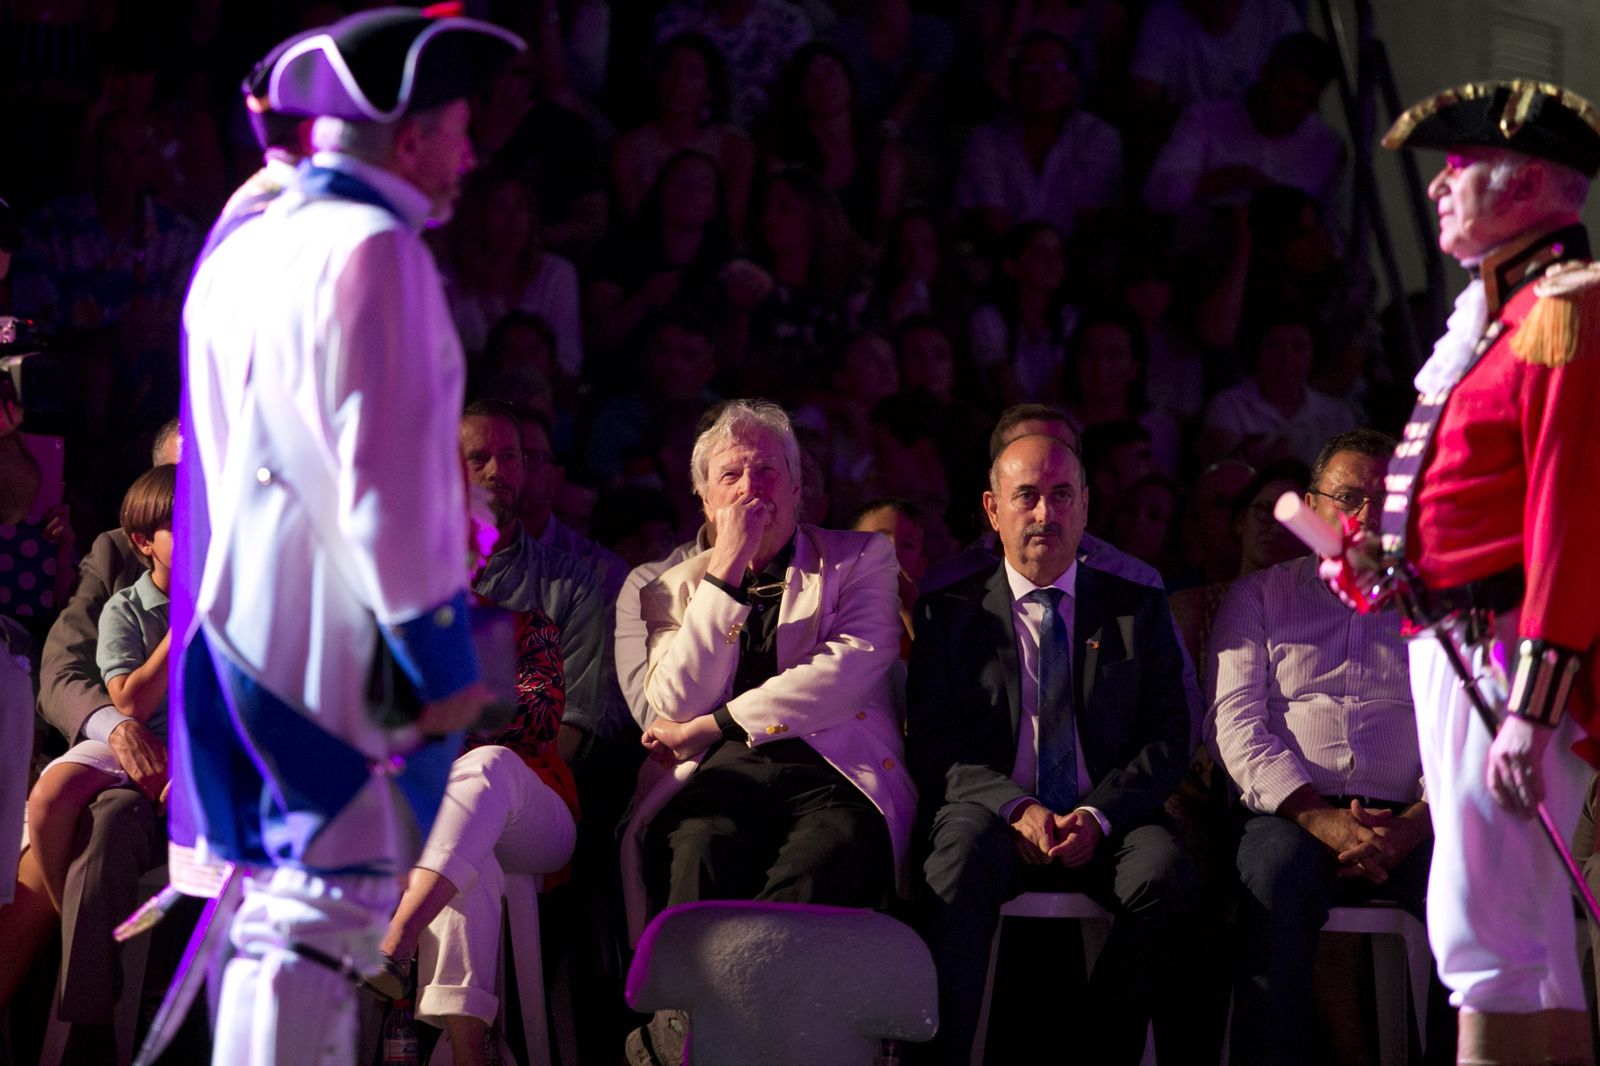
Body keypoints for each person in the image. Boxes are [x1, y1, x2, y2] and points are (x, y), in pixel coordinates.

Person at [171, 12, 522, 1064]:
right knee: (319, 926)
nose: (469, 150)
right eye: (458, 124)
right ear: (406, 135)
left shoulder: (247, 232)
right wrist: (442, 659)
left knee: (278, 918)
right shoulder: (377, 250)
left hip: (237, 625)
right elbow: (388, 484)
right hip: (337, 645)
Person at [1327, 80, 1600, 1063]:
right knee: (1510, 935)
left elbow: (1570, 518)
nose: (1438, 187)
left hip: (1509, 660)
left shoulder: (1566, 310)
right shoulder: (1491, 319)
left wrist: (1533, 702)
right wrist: (1376, 565)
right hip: (1457, 643)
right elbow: (1470, 513)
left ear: (1525, 184)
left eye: (1457, 167)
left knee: (1487, 932)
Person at [624, 399, 915, 1063]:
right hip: (719, 775)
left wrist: (717, 723)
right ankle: (690, 1037)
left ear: (798, 487)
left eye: (767, 472)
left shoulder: (862, 558)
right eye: (731, 476)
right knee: (697, 846)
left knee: (827, 859)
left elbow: (847, 670)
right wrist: (723, 569)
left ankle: (758, 1037)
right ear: (702, 497)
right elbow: (671, 699)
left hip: (832, 773)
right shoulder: (670, 590)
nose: (751, 488)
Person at [909, 432, 1200, 1065]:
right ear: (992, 510)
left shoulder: (1136, 607)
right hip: (991, 816)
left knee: (1165, 873)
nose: (1047, 514)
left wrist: (1098, 816)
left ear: (1087, 507)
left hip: (1110, 819)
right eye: (1028, 497)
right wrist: (1015, 808)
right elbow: (935, 744)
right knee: (954, 858)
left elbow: (1169, 737)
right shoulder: (948, 615)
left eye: (1062, 496)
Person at [1208, 429, 1436, 1065]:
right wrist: (1325, 820)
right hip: (1296, 814)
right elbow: (1238, 726)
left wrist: (1415, 827)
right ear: (1311, 506)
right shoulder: (1260, 594)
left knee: (1476, 884)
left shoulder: (1434, 603)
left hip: (1412, 819)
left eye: (1383, 497)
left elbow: (1464, 736)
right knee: (1274, 875)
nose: (1364, 514)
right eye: (1347, 498)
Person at [32, 421, 177, 1055]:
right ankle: (91, 1025)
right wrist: (121, 731)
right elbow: (64, 670)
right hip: (130, 758)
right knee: (98, 819)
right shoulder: (117, 566)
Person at [28, 464, 174, 913]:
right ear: (143, 542)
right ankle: (63, 916)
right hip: (132, 732)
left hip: (195, 740)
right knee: (51, 796)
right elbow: (127, 702)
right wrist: (184, 627)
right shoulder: (127, 606)